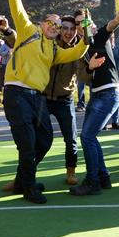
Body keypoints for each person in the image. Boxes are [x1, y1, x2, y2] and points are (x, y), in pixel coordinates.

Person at [0, 0, 90, 204]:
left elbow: (77, 52)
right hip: (16, 93)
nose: (55, 27)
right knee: (27, 143)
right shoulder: (28, 31)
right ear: (43, 23)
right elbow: (17, 9)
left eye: (59, 26)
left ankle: (22, 179)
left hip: (36, 97)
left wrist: (87, 32)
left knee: (45, 139)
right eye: (51, 22)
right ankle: (28, 187)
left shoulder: (53, 49)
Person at [69, 2, 119, 196]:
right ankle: (103, 177)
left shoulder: (98, 37)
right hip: (96, 94)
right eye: (77, 23)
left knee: (87, 137)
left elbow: (110, 26)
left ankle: (93, 181)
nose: (81, 26)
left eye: (84, 22)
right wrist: (90, 67)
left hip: (108, 93)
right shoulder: (80, 47)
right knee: (90, 137)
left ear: (90, 23)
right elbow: (82, 76)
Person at [43, 13, 86, 187]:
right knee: (36, 139)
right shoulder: (50, 44)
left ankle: (71, 171)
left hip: (65, 99)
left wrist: (90, 69)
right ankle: (24, 174)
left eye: (72, 29)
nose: (68, 32)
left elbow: (85, 75)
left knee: (71, 138)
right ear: (60, 30)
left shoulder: (80, 50)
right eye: (65, 28)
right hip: (44, 98)